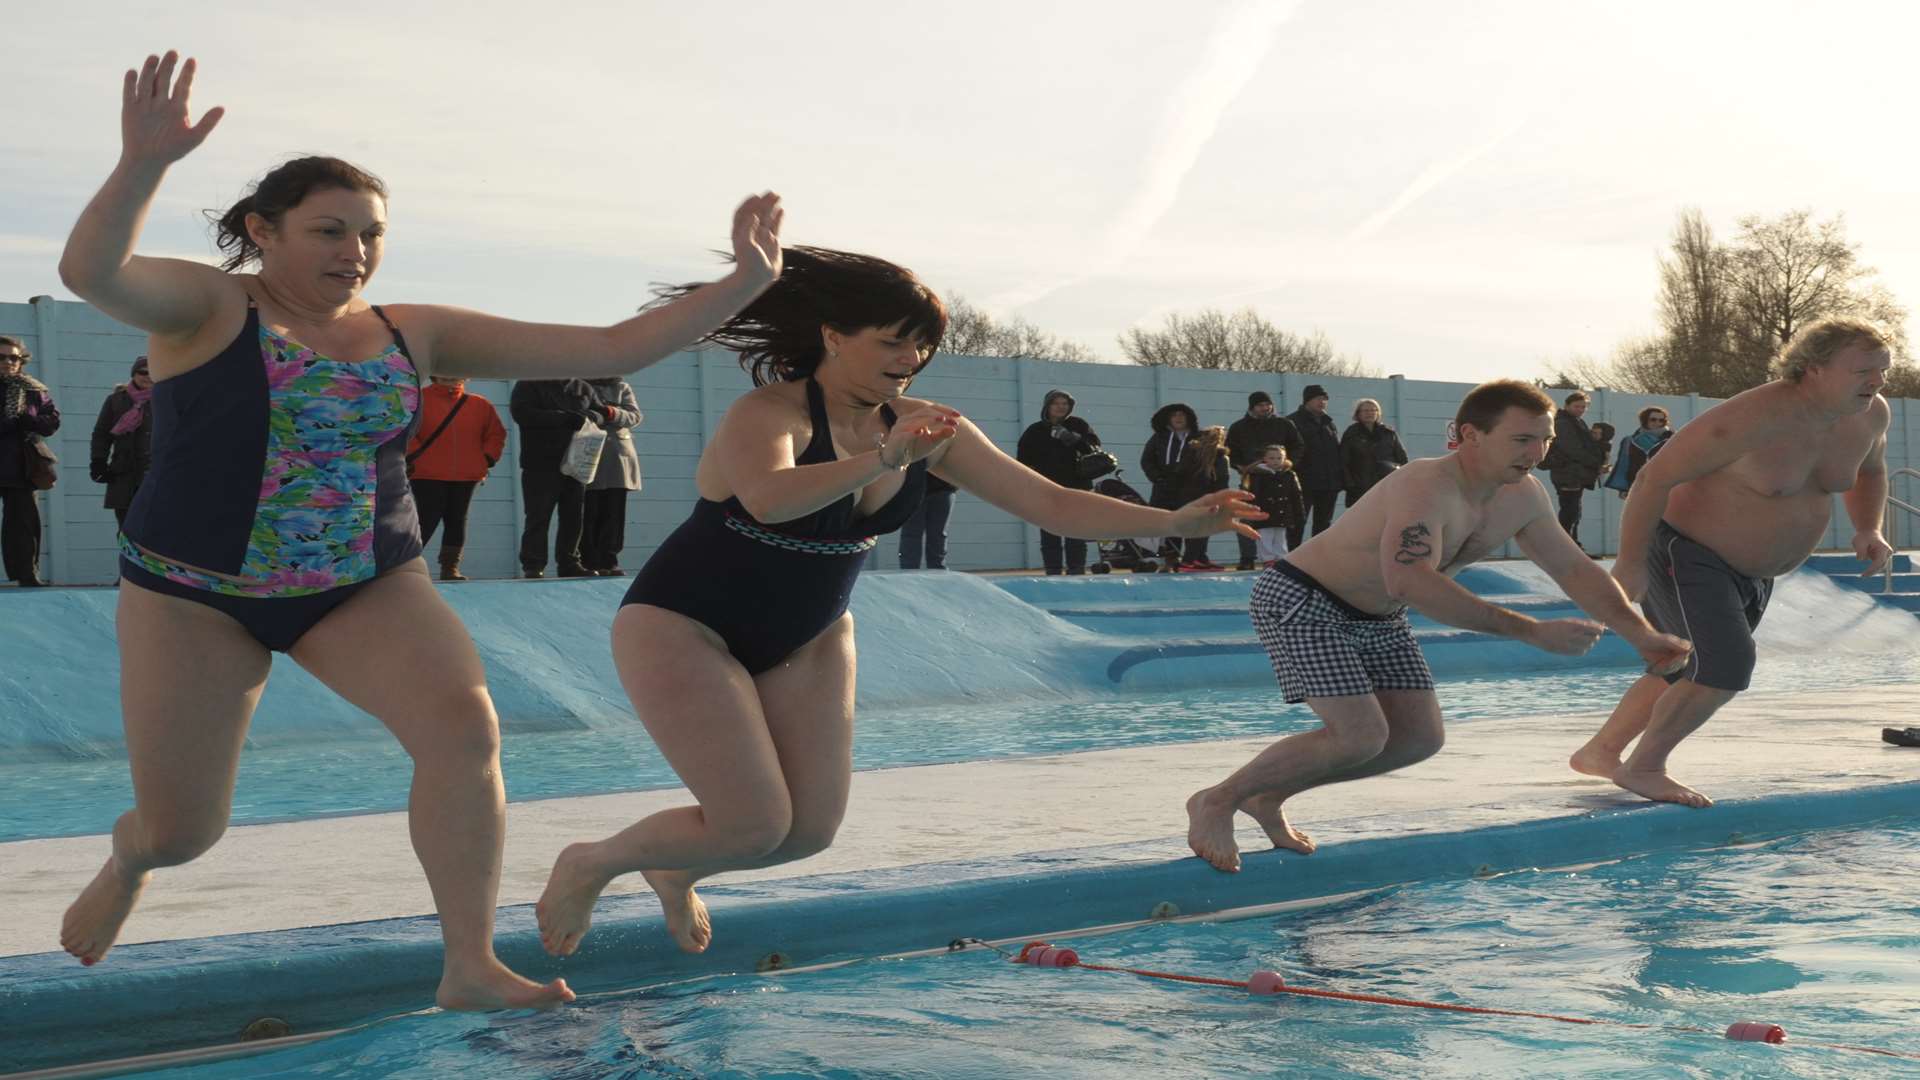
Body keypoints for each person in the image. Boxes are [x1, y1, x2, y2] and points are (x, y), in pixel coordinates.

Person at [53, 50, 783, 1010]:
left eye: (370, 233)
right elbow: (89, 269)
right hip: (194, 594)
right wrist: (143, 163)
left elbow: (613, 349)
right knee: (185, 830)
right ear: (262, 233)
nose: (354, 250)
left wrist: (744, 283)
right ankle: (132, 859)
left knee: (463, 730)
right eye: (327, 230)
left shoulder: (412, 330)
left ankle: (470, 965)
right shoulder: (209, 307)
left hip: (362, 581)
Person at [533, 248, 1262, 957]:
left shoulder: (924, 427)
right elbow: (770, 498)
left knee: (809, 831)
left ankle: (677, 866)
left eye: (922, 346)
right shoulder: (769, 413)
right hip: (685, 623)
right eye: (892, 342)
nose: (909, 360)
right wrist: (882, 461)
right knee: (753, 823)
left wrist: (1173, 522)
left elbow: (1049, 502)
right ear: (831, 336)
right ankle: (593, 862)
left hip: (810, 636)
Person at [1184, 380, 1690, 872]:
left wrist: (1642, 635)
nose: (1536, 452)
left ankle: (1268, 793)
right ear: (1471, 435)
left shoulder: (1523, 495)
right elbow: (1409, 580)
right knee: (1358, 736)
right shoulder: (1426, 485)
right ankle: (1216, 800)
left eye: (1545, 439)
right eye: (1521, 439)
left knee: (1417, 739)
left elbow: (1575, 569)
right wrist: (1531, 631)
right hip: (1305, 601)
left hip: (1377, 615)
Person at [1571, 319, 1894, 808]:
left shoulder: (1869, 416)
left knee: (1683, 665)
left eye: (1884, 370)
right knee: (1724, 664)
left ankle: (1602, 752)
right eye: (1864, 370)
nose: (1877, 381)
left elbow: (1870, 471)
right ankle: (1645, 767)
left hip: (1754, 572)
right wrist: (1631, 564)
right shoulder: (1749, 418)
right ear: (1813, 369)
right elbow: (1653, 480)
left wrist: (1869, 528)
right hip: (1688, 552)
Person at [407, 375, 506, 581]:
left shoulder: (480, 405)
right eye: (446, 372)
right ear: (435, 375)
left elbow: (496, 434)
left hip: (466, 474)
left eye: (457, 372)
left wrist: (486, 458)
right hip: (427, 473)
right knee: (426, 520)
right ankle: (405, 566)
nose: (452, 376)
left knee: (457, 520)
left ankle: (450, 568)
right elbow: (406, 430)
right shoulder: (418, 399)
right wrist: (415, 456)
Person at [510, 378, 597, 578]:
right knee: (538, 516)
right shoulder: (529, 385)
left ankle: (569, 563)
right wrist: (563, 418)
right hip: (540, 463)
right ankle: (533, 564)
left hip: (576, 462)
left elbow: (599, 413)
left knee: (573, 517)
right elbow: (522, 414)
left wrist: (587, 417)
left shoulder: (583, 387)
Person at [1016, 389, 1101, 575]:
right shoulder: (1035, 430)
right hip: (1046, 488)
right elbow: (1022, 461)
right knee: (1049, 531)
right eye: (1056, 403)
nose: (1061, 407)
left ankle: (1076, 569)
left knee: (1075, 531)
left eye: (1065, 404)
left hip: (1077, 487)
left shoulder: (1078, 425)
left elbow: (1094, 448)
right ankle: (1053, 570)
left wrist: (1071, 438)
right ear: (1048, 406)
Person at [0, 335, 60, 587]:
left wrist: (29, 421)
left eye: (13, 357)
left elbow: (52, 422)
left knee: (23, 524)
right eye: (1, 357)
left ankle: (26, 574)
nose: (8, 362)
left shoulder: (34, 389)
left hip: (20, 465)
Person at [1226, 391, 1301, 569]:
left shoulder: (1284, 424)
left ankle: (1282, 558)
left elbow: (1298, 446)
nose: (1265, 408)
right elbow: (1231, 452)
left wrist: (1288, 464)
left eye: (1267, 404)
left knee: (1279, 523)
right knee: (1246, 518)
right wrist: (1244, 467)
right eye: (1260, 405)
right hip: (1252, 479)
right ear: (1252, 407)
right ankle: (1247, 558)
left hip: (1279, 479)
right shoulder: (1239, 427)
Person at [581, 376, 643, 577]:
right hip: (589, 453)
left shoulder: (621, 387)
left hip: (618, 456)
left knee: (614, 513)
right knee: (589, 512)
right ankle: (588, 561)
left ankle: (610, 560)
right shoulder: (579, 386)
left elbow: (634, 416)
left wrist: (611, 412)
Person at [90, 356, 156, 531]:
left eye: (153, 372)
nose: (148, 376)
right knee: (127, 529)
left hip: (156, 473)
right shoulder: (116, 400)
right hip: (124, 474)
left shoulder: (166, 398)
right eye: (143, 372)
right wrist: (98, 461)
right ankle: (128, 559)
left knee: (154, 529)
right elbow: (102, 434)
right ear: (134, 374)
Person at [1541, 391, 1608, 549]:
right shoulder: (1563, 423)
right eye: (1577, 406)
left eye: (1583, 407)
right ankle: (1565, 546)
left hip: (1574, 473)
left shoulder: (1576, 422)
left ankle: (1572, 545)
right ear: (1567, 406)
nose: (1580, 409)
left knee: (1573, 510)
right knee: (1570, 511)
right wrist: (1594, 462)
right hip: (1567, 474)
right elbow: (1572, 449)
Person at [1141, 402, 1199, 569]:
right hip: (1163, 487)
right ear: (1168, 419)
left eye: (1182, 415)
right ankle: (1167, 559)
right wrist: (1157, 478)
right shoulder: (1159, 437)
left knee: (1189, 524)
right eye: (1174, 415)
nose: (1179, 418)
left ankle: (1192, 560)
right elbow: (1147, 460)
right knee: (1165, 524)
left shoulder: (1197, 437)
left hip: (1189, 488)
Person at [1286, 384, 1343, 548]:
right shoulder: (1292, 421)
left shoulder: (1329, 423)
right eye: (1318, 398)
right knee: (1297, 523)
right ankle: (1293, 557)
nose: (1322, 402)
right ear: (1307, 401)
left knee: (1323, 524)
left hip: (1329, 483)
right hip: (1303, 482)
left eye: (1325, 399)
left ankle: (1318, 557)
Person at [1172, 425, 1232, 571]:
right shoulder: (1221, 457)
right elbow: (1222, 481)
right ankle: (1189, 560)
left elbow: (1179, 473)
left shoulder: (1189, 453)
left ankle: (1199, 558)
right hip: (1209, 498)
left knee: (1194, 528)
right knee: (1204, 529)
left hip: (1188, 496)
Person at [1243, 444, 1305, 566]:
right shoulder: (1257, 475)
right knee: (1265, 536)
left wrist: (1299, 513)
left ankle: (1281, 558)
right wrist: (1252, 511)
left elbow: (1296, 495)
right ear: (1265, 459)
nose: (1276, 461)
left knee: (1280, 537)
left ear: (1284, 458)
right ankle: (1268, 559)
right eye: (1271, 458)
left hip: (1282, 512)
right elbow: (1253, 495)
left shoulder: (1289, 475)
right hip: (1264, 512)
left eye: (1279, 458)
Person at [1340, 397, 1407, 508]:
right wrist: (1350, 485)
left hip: (1386, 486)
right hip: (1360, 488)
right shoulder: (1351, 434)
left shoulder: (1389, 433)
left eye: (1373, 410)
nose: (1370, 413)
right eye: (1366, 410)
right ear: (1358, 414)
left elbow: (1402, 458)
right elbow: (1343, 461)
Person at [1602, 406, 1673, 498]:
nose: (1657, 423)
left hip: (1666, 486)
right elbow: (1624, 465)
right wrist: (1624, 489)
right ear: (1645, 420)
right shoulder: (1630, 441)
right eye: (1653, 419)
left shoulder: (1672, 439)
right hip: (1639, 485)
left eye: (1661, 420)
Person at [897, 472, 956, 569]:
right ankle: (908, 571)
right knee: (912, 534)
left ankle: (938, 571)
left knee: (937, 534)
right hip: (914, 488)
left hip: (943, 488)